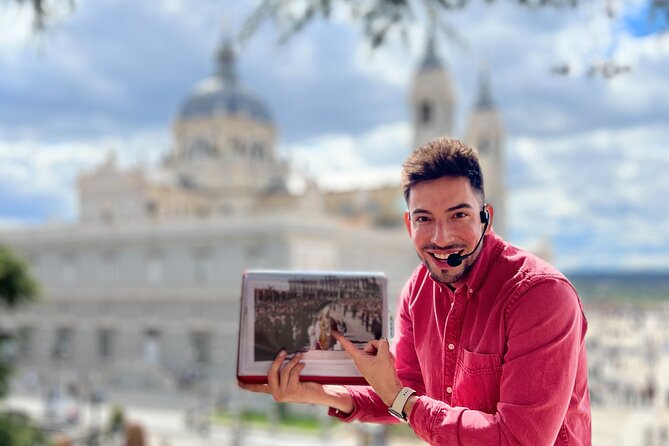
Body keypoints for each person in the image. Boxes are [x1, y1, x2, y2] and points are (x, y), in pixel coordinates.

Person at [240, 138, 591, 445]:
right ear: (409, 224)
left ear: (486, 217)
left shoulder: (541, 296)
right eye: (424, 219)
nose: (441, 239)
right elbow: (404, 390)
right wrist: (318, 393)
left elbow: (517, 441)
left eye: (458, 216)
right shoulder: (417, 291)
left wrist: (400, 397)